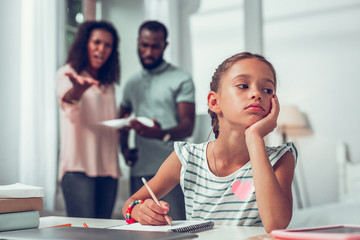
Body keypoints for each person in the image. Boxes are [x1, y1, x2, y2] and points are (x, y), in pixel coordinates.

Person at [122, 52, 298, 232]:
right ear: (215, 102)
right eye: (243, 86)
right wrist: (139, 211)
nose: (256, 94)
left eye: (267, 90)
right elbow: (130, 204)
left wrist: (254, 137)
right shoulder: (187, 157)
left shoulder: (281, 158)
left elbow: (276, 224)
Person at [119, 20, 195, 220]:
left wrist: (159, 134)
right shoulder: (131, 83)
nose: (148, 52)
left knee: (174, 227)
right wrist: (124, 149)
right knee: (139, 227)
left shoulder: (181, 78)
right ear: (138, 43)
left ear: (164, 46)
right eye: (144, 45)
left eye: (155, 46)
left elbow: (188, 126)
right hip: (140, 170)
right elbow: (122, 119)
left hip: (172, 169)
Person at [56, 20, 121, 219]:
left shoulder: (108, 83)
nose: (101, 49)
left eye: (107, 45)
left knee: (103, 233)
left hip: (108, 170)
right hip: (78, 169)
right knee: (83, 236)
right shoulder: (67, 74)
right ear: (85, 43)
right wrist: (78, 90)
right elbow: (68, 99)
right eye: (96, 42)